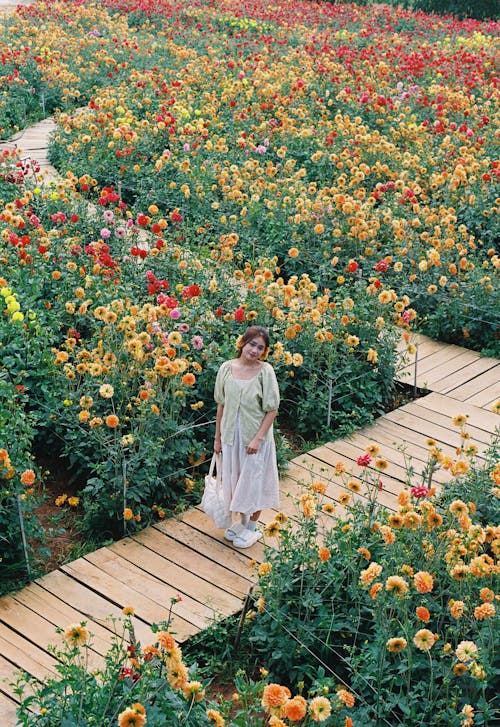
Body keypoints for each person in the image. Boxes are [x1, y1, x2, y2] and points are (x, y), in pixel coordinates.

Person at [213, 325, 280, 548]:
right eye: (252, 344)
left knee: (254, 484)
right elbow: (221, 405)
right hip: (231, 436)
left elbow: (272, 409)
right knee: (236, 482)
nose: (254, 350)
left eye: (260, 347)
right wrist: (218, 438)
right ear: (242, 343)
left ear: (264, 352)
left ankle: (251, 528)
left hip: (255, 439)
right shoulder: (225, 368)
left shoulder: (265, 371)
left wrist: (258, 439)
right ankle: (241, 524)